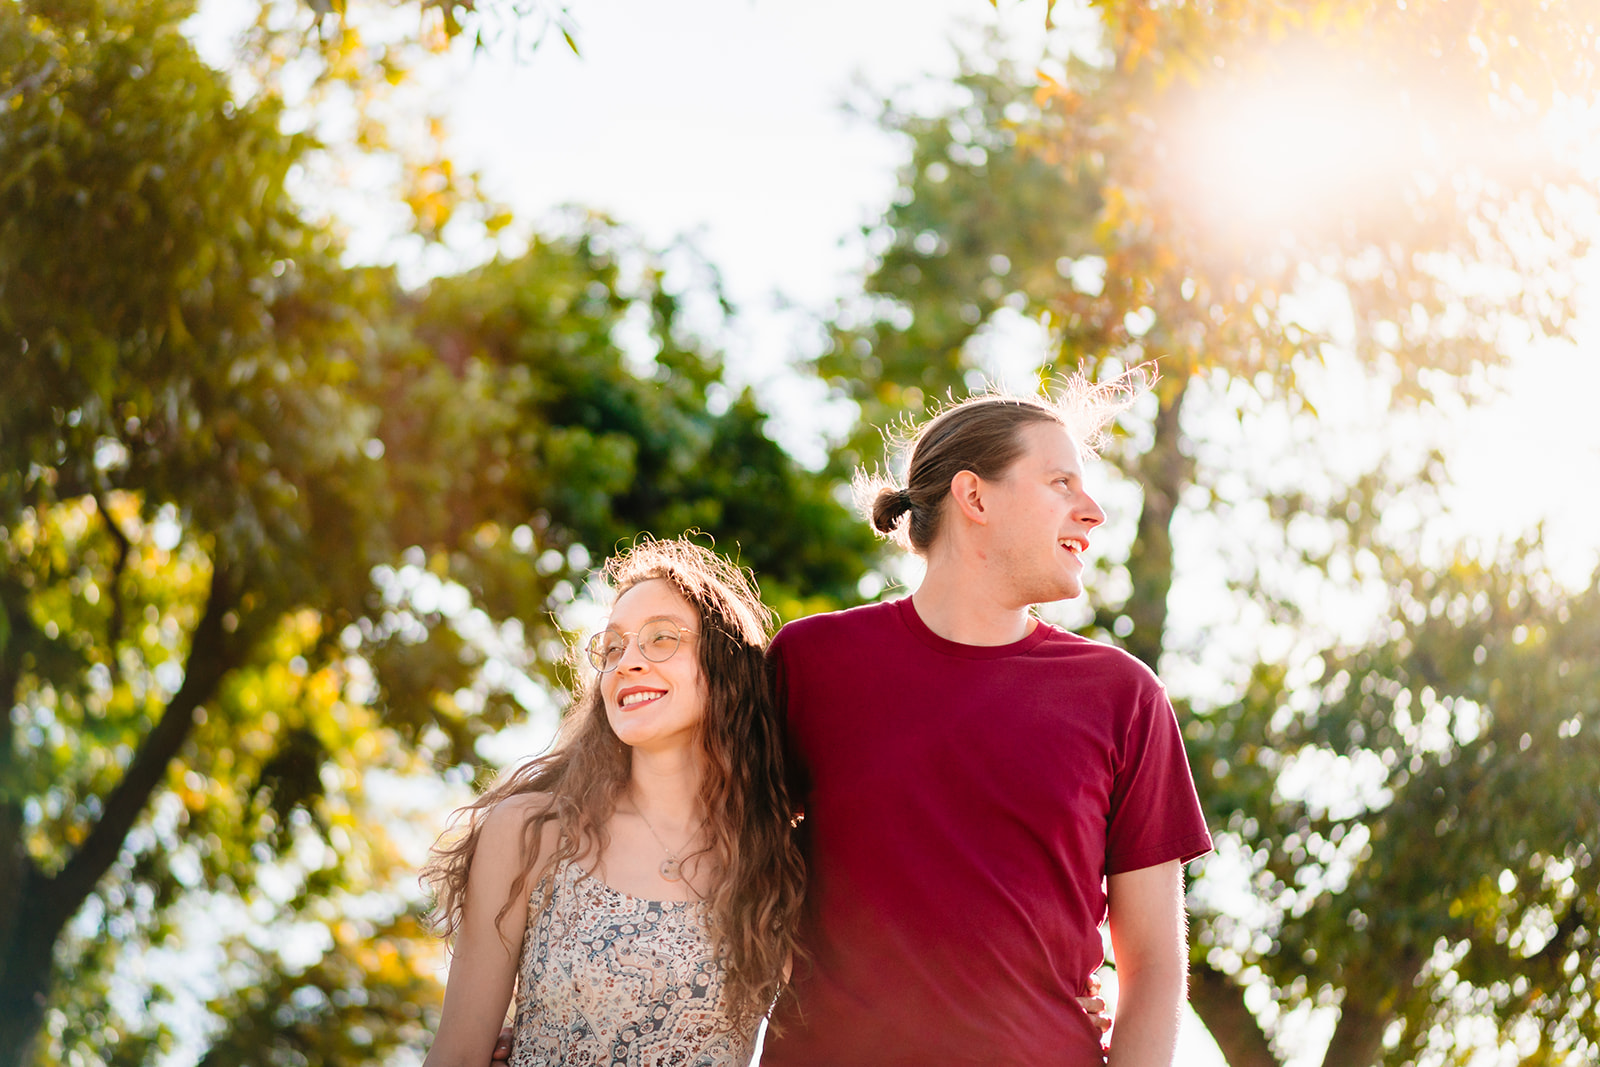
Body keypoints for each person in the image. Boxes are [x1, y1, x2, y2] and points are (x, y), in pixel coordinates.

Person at [760, 378, 1214, 1066]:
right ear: (974, 497)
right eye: (1061, 482)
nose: (1092, 511)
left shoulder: (1125, 696)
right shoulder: (810, 663)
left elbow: (1151, 964)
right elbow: (718, 861)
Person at [420, 538, 804, 1067]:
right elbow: (457, 1055)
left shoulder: (776, 863)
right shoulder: (531, 834)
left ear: (724, 666)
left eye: (661, 639)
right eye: (613, 648)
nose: (628, 663)